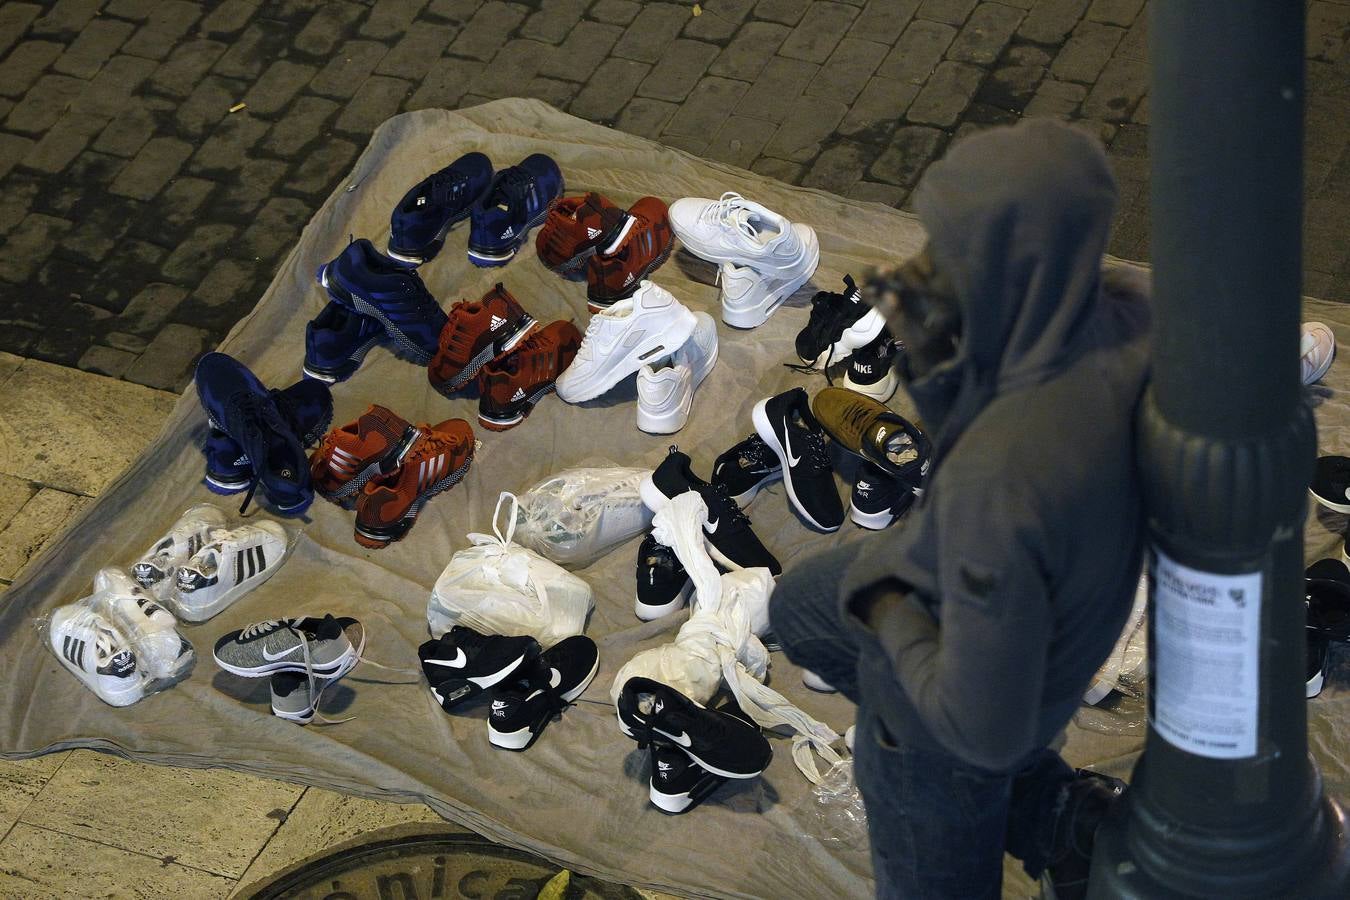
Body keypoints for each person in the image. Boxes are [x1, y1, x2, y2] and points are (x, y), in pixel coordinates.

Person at [770, 118, 1151, 899]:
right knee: (800, 606)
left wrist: (884, 606)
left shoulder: (1003, 487)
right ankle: (1055, 813)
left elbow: (983, 727)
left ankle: (983, 808)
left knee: (934, 838)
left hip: (952, 716)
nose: (925, 264)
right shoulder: (1129, 313)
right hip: (1019, 596)